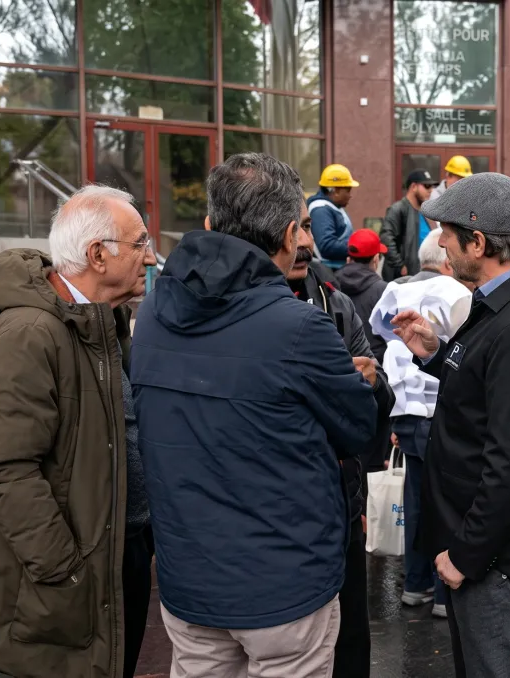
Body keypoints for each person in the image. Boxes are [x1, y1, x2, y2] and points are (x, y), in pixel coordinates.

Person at [130, 153, 378, 678]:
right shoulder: (299, 328)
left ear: (208, 226)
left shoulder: (151, 315)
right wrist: (355, 381)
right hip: (285, 590)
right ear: (290, 234)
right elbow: (359, 427)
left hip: (190, 582)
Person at [0, 185, 157, 678]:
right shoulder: (32, 333)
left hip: (114, 558)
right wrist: (65, 572)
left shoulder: (103, 322)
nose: (151, 256)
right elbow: (1, 469)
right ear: (98, 255)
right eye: (139, 243)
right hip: (59, 581)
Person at [391, 172, 510, 678]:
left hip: (492, 551)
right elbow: (486, 396)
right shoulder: (503, 302)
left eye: (447, 233)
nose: (441, 244)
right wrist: (435, 355)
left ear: (479, 241)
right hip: (480, 542)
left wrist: (468, 553)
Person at [286, 208, 394, 678]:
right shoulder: (234, 311)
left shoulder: (335, 303)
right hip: (277, 513)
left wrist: (370, 382)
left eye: (308, 227)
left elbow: (378, 394)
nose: (303, 242)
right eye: (296, 229)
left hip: (340, 502)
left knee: (348, 637)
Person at [372, 228, 472, 620]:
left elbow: (382, 339)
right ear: (448, 260)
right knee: (446, 501)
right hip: (439, 410)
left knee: (416, 498)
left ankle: (416, 583)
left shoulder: (394, 290)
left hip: (405, 410)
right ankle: (444, 593)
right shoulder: (456, 293)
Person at [337, 229, 389, 361]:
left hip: (342, 364)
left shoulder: (330, 284)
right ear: (376, 259)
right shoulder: (383, 290)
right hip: (376, 366)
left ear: (349, 259)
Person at [381, 169, 439, 281]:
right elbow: (386, 239)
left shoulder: (425, 212)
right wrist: (400, 266)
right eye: (427, 186)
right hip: (403, 278)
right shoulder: (398, 209)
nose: (431, 190)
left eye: (432, 187)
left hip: (421, 275)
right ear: (413, 187)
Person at [308, 163, 360, 270]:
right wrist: (358, 247)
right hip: (329, 273)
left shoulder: (332, 206)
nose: (350, 195)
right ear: (335, 191)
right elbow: (327, 246)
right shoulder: (321, 210)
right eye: (348, 190)